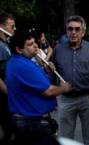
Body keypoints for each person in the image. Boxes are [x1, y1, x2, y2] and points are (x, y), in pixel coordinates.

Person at [6, 29, 71, 145]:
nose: (36, 46)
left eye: (34, 42)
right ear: (19, 49)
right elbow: (48, 91)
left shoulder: (18, 61)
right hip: (31, 122)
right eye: (30, 44)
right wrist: (64, 88)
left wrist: (45, 70)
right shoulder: (23, 65)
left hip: (28, 120)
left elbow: (31, 83)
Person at [53, 15, 89, 145]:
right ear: (66, 31)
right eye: (70, 29)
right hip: (65, 99)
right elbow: (52, 72)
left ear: (83, 32)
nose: (73, 32)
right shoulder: (58, 49)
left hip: (87, 98)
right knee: (65, 139)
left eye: (77, 29)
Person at [0, 13, 16, 144]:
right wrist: (9, 93)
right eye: (12, 26)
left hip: (6, 95)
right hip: (3, 96)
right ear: (2, 27)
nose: (14, 29)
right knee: (9, 131)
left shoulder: (5, 43)